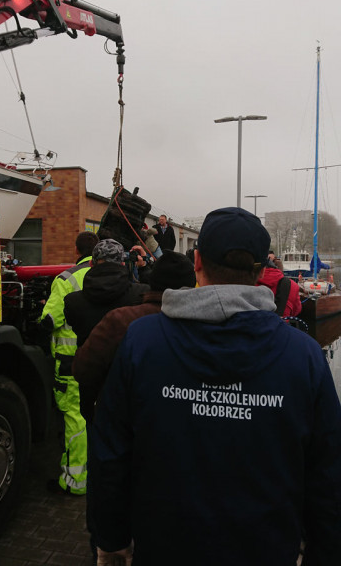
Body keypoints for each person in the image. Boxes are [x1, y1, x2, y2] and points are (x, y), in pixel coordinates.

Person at [89, 207, 341, 566]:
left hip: (163, 547)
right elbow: (327, 476)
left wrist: (111, 539)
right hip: (266, 548)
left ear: (196, 260)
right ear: (259, 271)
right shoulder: (304, 356)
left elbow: (110, 452)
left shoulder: (142, 343)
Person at [72, 250, 196, 422]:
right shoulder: (208, 322)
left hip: (126, 424)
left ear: (153, 281)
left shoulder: (120, 320)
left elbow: (83, 370)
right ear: (191, 283)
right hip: (185, 423)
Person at [40, 230, 98, 495]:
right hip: (101, 357)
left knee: (75, 419)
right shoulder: (112, 276)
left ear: (76, 251)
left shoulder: (65, 279)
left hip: (70, 362)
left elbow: (50, 320)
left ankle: (75, 481)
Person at [64, 239, 149, 348]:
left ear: (91, 264)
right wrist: (144, 267)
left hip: (90, 361)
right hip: (128, 362)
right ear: (123, 264)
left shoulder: (73, 302)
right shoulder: (141, 294)